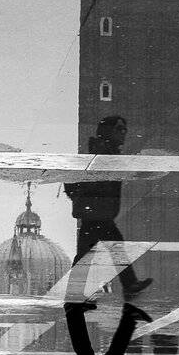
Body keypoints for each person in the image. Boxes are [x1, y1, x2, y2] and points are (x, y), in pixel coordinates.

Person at [64, 116, 152, 299]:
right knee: (103, 249)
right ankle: (127, 285)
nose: (123, 134)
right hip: (98, 213)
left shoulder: (107, 151)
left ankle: (77, 292)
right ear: (108, 132)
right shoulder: (102, 152)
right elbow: (75, 181)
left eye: (124, 130)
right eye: (119, 130)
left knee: (96, 251)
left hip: (99, 212)